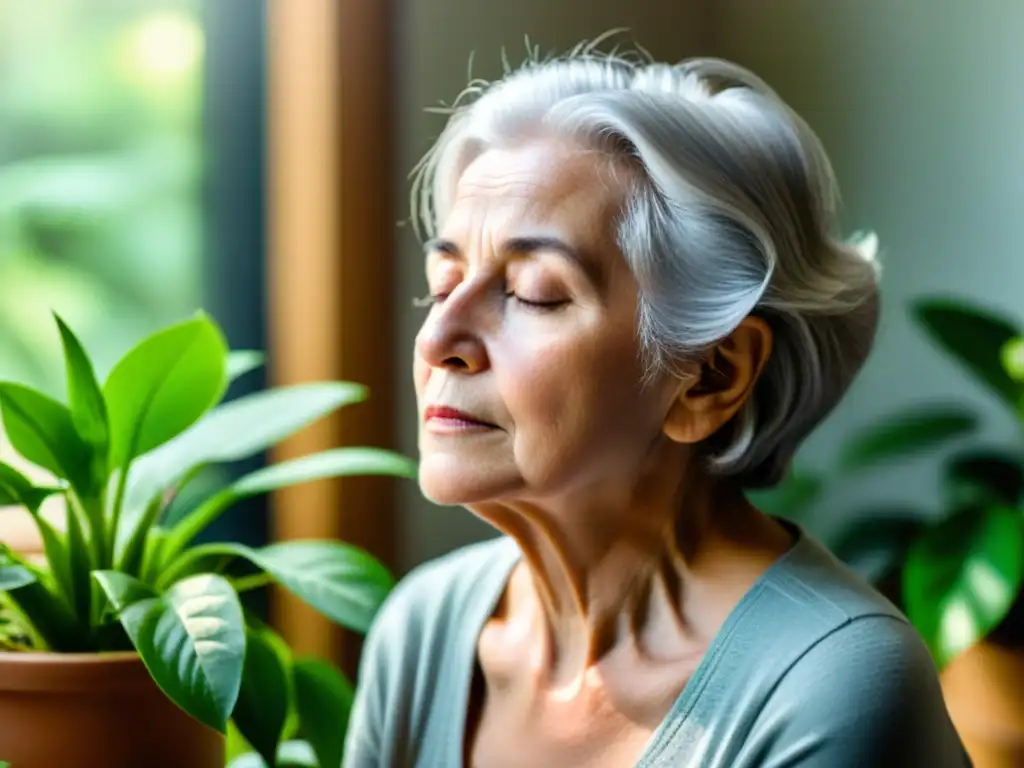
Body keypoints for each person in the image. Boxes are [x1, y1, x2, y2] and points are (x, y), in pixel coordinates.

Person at [343, 39, 971, 767]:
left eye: (534, 292)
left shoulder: (833, 686)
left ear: (709, 377)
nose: (437, 338)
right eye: (445, 280)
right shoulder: (424, 630)